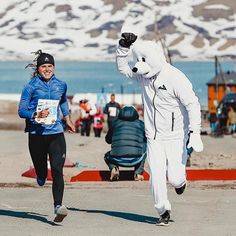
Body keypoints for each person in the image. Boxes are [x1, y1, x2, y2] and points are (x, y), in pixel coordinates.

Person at [116, 33, 203, 226]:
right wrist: (123, 48)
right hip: (153, 136)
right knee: (155, 174)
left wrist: (194, 132)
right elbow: (123, 69)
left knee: (174, 177)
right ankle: (163, 210)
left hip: (176, 136)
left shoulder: (175, 77)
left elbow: (192, 104)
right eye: (138, 60)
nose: (139, 65)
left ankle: (180, 182)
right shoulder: (142, 77)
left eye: (143, 60)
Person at [18, 50, 75, 223]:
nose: (47, 69)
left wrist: (68, 118)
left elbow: (63, 101)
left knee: (57, 170)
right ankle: (41, 174)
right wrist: (35, 114)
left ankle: (58, 206)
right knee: (42, 172)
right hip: (36, 135)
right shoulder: (30, 87)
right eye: (44, 66)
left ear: (54, 67)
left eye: (50, 66)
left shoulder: (61, 85)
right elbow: (21, 111)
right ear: (38, 68)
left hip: (56, 132)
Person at [104, 105, 147, 181]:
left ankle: (114, 168)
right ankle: (138, 173)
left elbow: (108, 140)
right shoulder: (141, 124)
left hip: (117, 158)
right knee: (145, 148)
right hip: (136, 158)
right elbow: (146, 139)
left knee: (107, 156)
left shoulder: (115, 123)